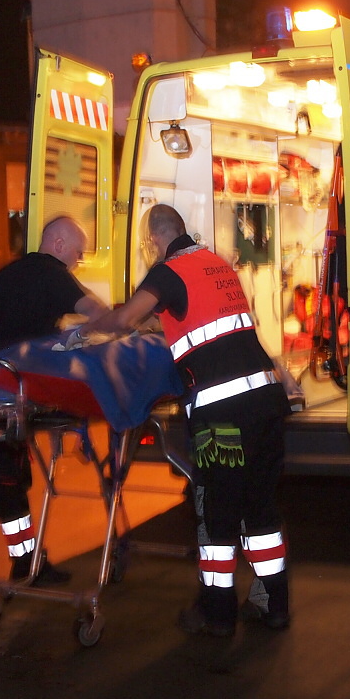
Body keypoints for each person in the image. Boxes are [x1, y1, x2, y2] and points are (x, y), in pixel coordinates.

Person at [88, 204, 291, 636]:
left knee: (217, 515)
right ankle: (274, 606)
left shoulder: (167, 272)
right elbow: (203, 324)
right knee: (260, 510)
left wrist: (88, 329)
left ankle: (217, 616)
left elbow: (125, 319)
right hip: (266, 403)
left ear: (154, 240)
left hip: (223, 414)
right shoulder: (215, 264)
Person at [0, 216, 110, 605]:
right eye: (78, 253)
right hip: (7, 392)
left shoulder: (9, 275)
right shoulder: (52, 274)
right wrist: (128, 325)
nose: (78, 261)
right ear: (58, 244)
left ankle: (28, 562)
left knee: (6, 477)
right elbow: (97, 312)